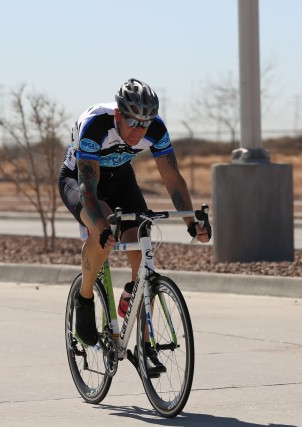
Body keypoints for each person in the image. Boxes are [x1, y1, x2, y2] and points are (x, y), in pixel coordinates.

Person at [58, 78, 211, 369]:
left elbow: (172, 179)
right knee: (101, 223)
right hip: (81, 180)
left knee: (142, 246)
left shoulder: (156, 129)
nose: (138, 130)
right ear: (118, 115)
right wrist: (102, 227)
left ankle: (143, 345)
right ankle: (85, 296)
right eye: (131, 122)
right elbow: (88, 190)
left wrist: (192, 222)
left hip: (121, 179)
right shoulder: (96, 125)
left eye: (145, 123)